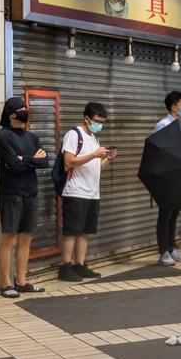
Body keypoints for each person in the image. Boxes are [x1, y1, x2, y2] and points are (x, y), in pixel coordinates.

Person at [0, 96, 49, 298]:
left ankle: (22, 281)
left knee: (26, 238)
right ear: (11, 114)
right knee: (9, 238)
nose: (26, 111)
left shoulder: (32, 137)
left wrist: (23, 159)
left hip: (31, 193)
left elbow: (45, 163)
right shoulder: (3, 137)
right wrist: (32, 160)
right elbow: (13, 166)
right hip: (11, 193)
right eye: (22, 109)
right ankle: (6, 283)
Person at [57, 102, 115, 283]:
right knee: (72, 231)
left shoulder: (94, 139)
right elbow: (69, 162)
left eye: (102, 122)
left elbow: (96, 167)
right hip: (75, 191)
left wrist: (107, 159)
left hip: (92, 193)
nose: (99, 125)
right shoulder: (74, 135)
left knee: (84, 232)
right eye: (97, 121)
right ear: (87, 119)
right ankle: (65, 266)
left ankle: (80, 265)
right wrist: (95, 154)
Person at [154, 91, 181, 267]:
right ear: (174, 106)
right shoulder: (163, 125)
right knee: (165, 215)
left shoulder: (180, 124)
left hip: (179, 176)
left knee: (174, 214)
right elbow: (161, 151)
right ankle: (163, 253)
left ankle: (171, 248)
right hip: (166, 177)